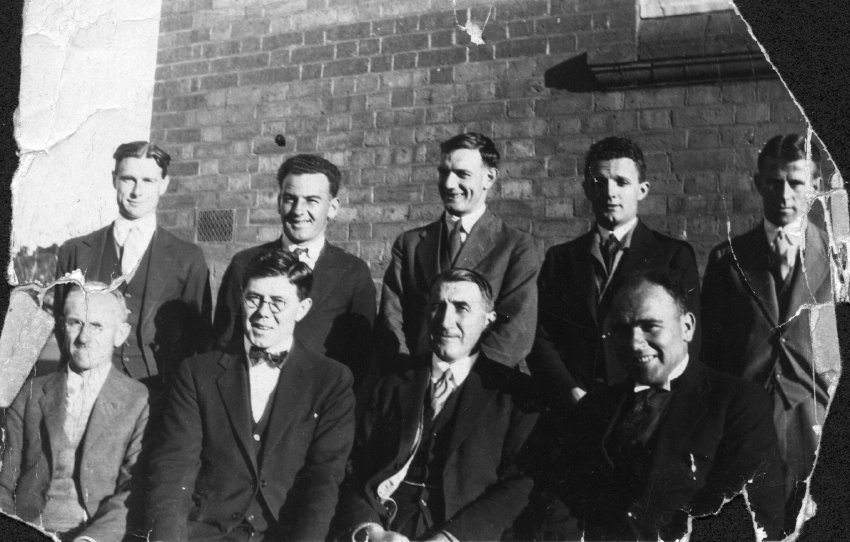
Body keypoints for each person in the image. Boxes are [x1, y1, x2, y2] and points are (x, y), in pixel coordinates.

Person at [530, 271, 784, 541]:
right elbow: (561, 501)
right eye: (621, 330)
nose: (634, 343)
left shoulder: (739, 403)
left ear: (687, 327)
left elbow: (752, 518)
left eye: (650, 326)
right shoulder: (596, 406)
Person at [146, 249, 355, 541]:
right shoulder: (197, 373)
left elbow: (323, 481)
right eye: (254, 298)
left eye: (278, 302)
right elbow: (173, 470)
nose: (262, 313)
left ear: (302, 308)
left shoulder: (331, 380)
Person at [333, 268, 540, 542]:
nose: (445, 321)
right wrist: (370, 530)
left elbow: (520, 485)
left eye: (461, 308)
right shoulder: (392, 384)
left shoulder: (514, 394)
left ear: (488, 320)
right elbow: (354, 469)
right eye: (437, 307)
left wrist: (452, 537)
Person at [701, 134, 833, 533]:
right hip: (747, 423)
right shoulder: (728, 259)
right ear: (759, 184)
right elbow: (711, 354)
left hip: (815, 417)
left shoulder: (839, 259)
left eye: (796, 182)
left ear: (815, 185)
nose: (785, 194)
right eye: (774, 182)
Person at [529, 136, 700, 406]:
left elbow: (687, 341)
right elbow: (540, 336)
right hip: (574, 405)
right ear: (587, 189)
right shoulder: (560, 258)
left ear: (642, 190)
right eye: (600, 182)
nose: (610, 193)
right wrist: (571, 392)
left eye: (622, 182)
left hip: (646, 403)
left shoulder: (673, 256)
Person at [377, 132, 539, 373]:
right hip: (417, 379)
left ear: (489, 178)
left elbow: (515, 329)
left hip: (485, 383)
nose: (449, 184)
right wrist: (410, 376)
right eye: (444, 172)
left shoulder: (515, 245)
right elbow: (392, 318)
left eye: (462, 174)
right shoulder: (409, 244)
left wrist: (462, 381)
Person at [54, 141, 212, 387]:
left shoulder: (188, 258)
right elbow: (61, 323)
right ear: (114, 180)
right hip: (85, 386)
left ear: (164, 185)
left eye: (148, 180)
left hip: (159, 392)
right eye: (128, 179)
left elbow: (199, 339)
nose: (137, 192)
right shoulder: (75, 251)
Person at [0, 282, 149, 542]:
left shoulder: (138, 400)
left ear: (120, 334)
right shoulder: (29, 394)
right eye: (75, 323)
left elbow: (132, 491)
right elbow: (3, 484)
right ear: (61, 327)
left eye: (97, 326)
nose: (84, 338)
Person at [213, 154, 376, 386]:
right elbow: (224, 342)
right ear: (279, 202)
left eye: (311, 200)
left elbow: (362, 359)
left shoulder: (352, 272)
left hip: (319, 398)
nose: (299, 210)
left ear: (332, 208)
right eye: (290, 199)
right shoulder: (245, 263)